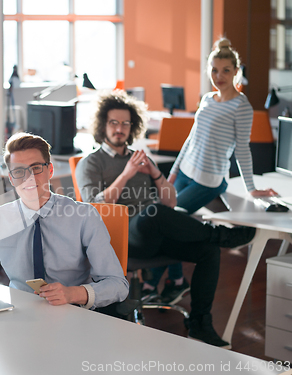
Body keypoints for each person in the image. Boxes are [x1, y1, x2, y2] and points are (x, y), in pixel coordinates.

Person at [75, 90, 256, 347]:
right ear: (102, 125)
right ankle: (221, 233)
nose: (120, 128)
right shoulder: (91, 163)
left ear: (133, 126)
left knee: (208, 250)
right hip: (117, 240)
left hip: (154, 232)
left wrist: (155, 174)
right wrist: (126, 174)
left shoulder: (140, 159)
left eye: (125, 123)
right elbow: (94, 205)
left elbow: (171, 202)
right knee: (153, 212)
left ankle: (200, 324)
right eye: (114, 123)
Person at [0, 132, 129, 312]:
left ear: (50, 170)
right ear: (11, 179)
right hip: (18, 313)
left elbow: (117, 284)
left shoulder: (84, 216)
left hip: (71, 311)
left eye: (36, 168)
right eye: (19, 172)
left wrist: (73, 294)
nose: (28, 177)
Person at [168, 38, 276, 214]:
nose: (219, 76)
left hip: (209, 180)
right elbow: (191, 138)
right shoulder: (207, 99)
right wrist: (173, 172)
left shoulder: (241, 106)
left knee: (169, 215)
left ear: (235, 71)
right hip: (184, 171)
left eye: (226, 71)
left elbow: (242, 150)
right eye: (214, 70)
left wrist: (251, 188)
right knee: (160, 211)